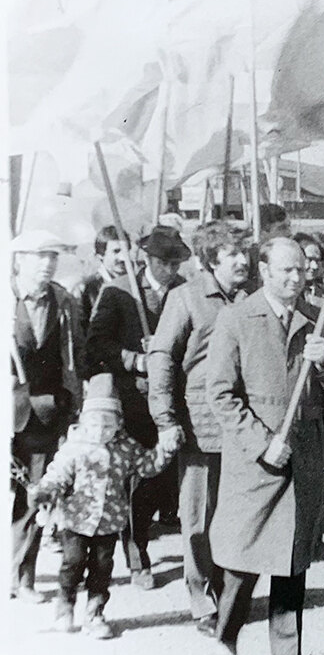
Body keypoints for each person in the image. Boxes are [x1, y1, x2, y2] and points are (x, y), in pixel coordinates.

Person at [205, 237, 324, 655]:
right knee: (242, 562)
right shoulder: (236, 318)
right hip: (257, 463)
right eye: (286, 270)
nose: (295, 278)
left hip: (305, 456)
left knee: (292, 561)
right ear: (264, 270)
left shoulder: (318, 319)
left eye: (301, 270)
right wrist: (261, 443)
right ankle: (226, 636)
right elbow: (221, 394)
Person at [146, 221, 251, 637]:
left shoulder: (253, 297)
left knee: (236, 514)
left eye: (245, 253)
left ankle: (229, 593)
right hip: (201, 426)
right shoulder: (186, 298)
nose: (243, 261)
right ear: (211, 259)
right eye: (233, 254)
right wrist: (165, 419)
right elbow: (162, 357)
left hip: (245, 425)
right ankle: (201, 597)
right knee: (199, 519)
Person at [31, 373, 177, 639]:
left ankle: (95, 614)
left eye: (108, 425)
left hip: (109, 522)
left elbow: (147, 466)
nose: (101, 430)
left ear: (119, 424)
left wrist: (165, 450)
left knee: (101, 569)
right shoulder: (74, 447)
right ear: (84, 422)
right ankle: (65, 607)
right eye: (95, 423)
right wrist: (44, 491)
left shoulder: (127, 448)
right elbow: (58, 474)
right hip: (76, 521)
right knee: (72, 563)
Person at [84, 224, 190, 589]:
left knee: (166, 479)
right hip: (137, 400)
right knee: (140, 481)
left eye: (176, 263)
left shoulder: (184, 291)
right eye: (164, 263)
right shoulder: (119, 291)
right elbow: (96, 345)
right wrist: (136, 359)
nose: (170, 270)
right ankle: (137, 555)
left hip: (175, 397)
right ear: (147, 258)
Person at [10, 229, 82, 603]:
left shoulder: (63, 302)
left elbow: (74, 357)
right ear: (18, 260)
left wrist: (75, 404)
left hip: (42, 412)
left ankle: (22, 577)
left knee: (33, 496)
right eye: (40, 256)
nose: (48, 264)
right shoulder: (5, 299)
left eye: (52, 257)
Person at [70, 225, 128, 335]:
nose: (123, 257)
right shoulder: (85, 289)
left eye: (126, 250)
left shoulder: (136, 285)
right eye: (116, 251)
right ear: (100, 255)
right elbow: (79, 332)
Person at [292, 232, 324, 307]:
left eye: (317, 261)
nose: (315, 266)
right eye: (309, 260)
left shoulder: (323, 292)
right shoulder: (287, 294)